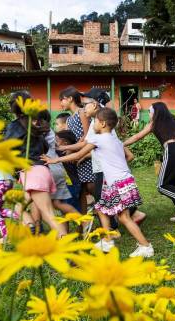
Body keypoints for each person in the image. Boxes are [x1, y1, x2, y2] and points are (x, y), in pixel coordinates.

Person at [45, 108, 153, 257]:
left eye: (94, 121)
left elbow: (78, 154)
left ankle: (145, 246)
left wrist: (55, 159)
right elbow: (128, 156)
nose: (93, 124)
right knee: (101, 208)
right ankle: (107, 241)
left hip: (117, 183)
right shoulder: (115, 139)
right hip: (122, 181)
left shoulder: (98, 139)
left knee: (123, 217)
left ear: (102, 123)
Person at [4, 91, 66, 236]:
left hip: (32, 172)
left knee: (48, 214)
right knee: (17, 206)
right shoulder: (35, 125)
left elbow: (6, 147)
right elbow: (45, 146)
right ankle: (31, 226)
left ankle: (69, 249)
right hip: (41, 171)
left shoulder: (16, 126)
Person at [123, 101, 175, 221]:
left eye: (149, 111)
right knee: (171, 184)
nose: (148, 113)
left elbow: (137, 136)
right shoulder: (174, 122)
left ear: (155, 112)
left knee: (162, 186)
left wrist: (120, 144)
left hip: (172, 149)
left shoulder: (154, 123)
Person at [37, 110, 80, 218]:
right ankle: (65, 234)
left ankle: (83, 223)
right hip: (64, 179)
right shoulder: (55, 140)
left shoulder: (63, 150)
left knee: (62, 205)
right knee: (60, 207)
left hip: (65, 180)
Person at [58, 87, 94, 216]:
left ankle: (108, 212)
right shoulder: (68, 119)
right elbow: (68, 137)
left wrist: (75, 149)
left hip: (85, 153)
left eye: (62, 100)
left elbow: (87, 134)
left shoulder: (82, 112)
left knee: (91, 186)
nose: (60, 103)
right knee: (82, 190)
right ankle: (83, 221)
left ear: (70, 99)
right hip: (75, 155)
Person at [55, 130, 82, 211]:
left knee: (70, 207)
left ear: (65, 143)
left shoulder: (62, 153)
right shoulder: (69, 152)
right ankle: (81, 222)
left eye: (56, 140)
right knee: (68, 208)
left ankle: (83, 222)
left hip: (70, 185)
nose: (54, 142)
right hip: (71, 184)